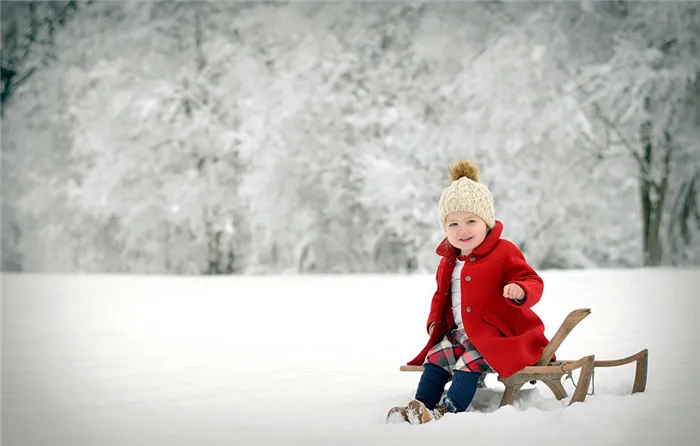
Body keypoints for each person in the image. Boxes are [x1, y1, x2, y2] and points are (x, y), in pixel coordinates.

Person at [387, 160, 549, 425]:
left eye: (471, 221)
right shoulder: (448, 261)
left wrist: (520, 289)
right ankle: (421, 406)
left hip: (495, 336)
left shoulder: (503, 251)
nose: (462, 230)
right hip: (460, 334)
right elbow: (441, 296)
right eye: (453, 224)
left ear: (486, 222)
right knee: (436, 357)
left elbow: (531, 279)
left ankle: (449, 410)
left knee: (469, 361)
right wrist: (433, 323)